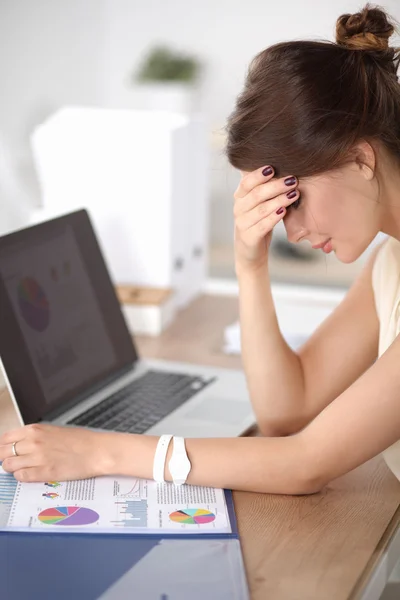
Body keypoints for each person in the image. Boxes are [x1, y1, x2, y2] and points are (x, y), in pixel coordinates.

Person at [1, 3, 400, 495]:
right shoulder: (390, 265)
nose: (291, 232)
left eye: (292, 201)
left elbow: (306, 463)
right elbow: (286, 414)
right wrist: (249, 264)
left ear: (360, 157)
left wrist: (100, 450)